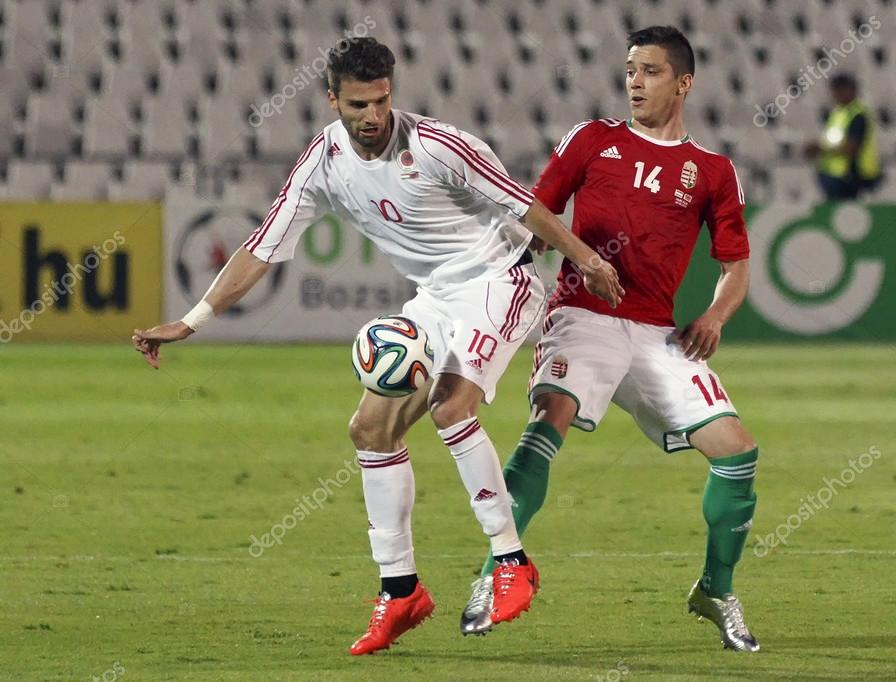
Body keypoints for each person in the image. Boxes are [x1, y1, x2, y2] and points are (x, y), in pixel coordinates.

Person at [131, 37, 623, 656]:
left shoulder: (440, 144)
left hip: (501, 278)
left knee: (450, 405)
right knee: (369, 429)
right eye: (359, 103)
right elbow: (261, 247)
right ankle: (402, 590)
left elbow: (525, 206)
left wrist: (586, 259)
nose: (373, 116)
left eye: (382, 100)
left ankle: (511, 561)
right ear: (332, 98)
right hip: (435, 297)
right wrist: (192, 320)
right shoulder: (323, 162)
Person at [459, 26, 761, 652]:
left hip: (658, 334)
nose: (634, 81)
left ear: (683, 83)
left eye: (649, 71)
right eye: (629, 69)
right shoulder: (594, 140)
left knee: (737, 452)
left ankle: (715, 589)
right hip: (583, 314)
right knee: (549, 421)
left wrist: (713, 319)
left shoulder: (712, 171)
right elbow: (536, 214)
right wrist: (505, 270)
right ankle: (497, 573)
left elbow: (736, 267)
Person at [804, 72, 882, 200]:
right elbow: (833, 141)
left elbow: (851, 148)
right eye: (835, 90)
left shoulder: (858, 115)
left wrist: (820, 149)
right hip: (839, 173)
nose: (837, 94)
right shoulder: (838, 114)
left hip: (856, 175)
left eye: (841, 90)